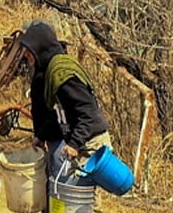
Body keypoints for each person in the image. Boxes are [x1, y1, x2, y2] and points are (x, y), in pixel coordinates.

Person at [17, 21, 113, 183]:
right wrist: (41, 135)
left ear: (40, 47)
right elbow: (57, 114)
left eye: (29, 49)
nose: (25, 53)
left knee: (78, 202)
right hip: (80, 141)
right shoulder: (49, 73)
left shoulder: (63, 75)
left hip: (90, 144)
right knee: (67, 199)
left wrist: (74, 144)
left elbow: (87, 113)